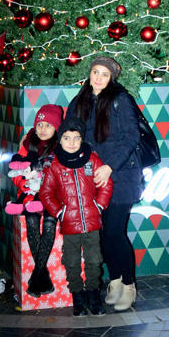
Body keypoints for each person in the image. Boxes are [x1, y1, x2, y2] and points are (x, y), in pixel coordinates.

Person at [65, 55, 144, 312]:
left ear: (112, 79)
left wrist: (109, 166)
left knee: (114, 232)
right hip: (93, 178)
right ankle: (116, 281)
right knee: (101, 236)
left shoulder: (121, 99)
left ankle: (129, 285)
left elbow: (132, 136)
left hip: (121, 176)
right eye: (95, 72)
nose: (98, 78)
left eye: (104, 74)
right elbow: (70, 131)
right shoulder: (80, 100)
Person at [39, 116, 113, 316]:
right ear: (60, 140)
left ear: (82, 140)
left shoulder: (92, 159)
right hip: (69, 224)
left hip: (92, 222)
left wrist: (99, 206)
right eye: (67, 138)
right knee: (71, 261)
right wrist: (59, 211)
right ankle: (78, 297)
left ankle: (93, 296)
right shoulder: (54, 165)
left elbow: (105, 184)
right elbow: (45, 193)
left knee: (94, 260)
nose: (72, 143)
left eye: (76, 138)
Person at [6, 104, 63, 297]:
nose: (43, 129)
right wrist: (24, 183)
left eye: (48, 125)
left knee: (48, 224)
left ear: (56, 127)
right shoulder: (28, 142)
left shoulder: (59, 146)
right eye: (40, 124)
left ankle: (37, 275)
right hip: (29, 196)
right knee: (31, 220)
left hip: (51, 196)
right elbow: (15, 171)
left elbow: (60, 173)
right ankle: (42, 275)